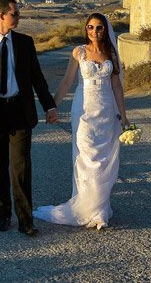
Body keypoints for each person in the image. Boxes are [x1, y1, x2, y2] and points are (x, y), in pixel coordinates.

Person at [0, 0, 59, 236]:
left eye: (18, 14)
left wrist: (49, 107)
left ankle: (25, 220)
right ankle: (3, 214)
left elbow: (37, 78)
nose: (19, 18)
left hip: (20, 110)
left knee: (21, 167)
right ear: (1, 16)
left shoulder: (25, 43)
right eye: (15, 14)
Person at [33, 12, 129, 230]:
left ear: (105, 30)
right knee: (86, 157)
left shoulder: (111, 53)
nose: (94, 32)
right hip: (84, 110)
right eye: (90, 27)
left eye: (99, 28)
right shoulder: (79, 52)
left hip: (106, 110)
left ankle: (100, 210)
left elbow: (116, 86)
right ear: (86, 29)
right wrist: (52, 107)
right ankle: (87, 208)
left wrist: (124, 115)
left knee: (103, 159)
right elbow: (67, 82)